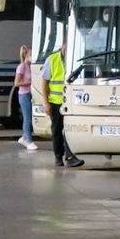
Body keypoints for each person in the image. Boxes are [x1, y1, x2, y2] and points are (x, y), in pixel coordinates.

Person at [39, 39, 84, 167]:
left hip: (70, 102)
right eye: (66, 47)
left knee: (70, 130)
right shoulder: (52, 59)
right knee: (57, 130)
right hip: (56, 103)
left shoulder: (75, 59)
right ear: (63, 46)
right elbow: (44, 83)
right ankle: (59, 157)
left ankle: (69, 156)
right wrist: (45, 103)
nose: (67, 51)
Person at [15, 44, 37, 150]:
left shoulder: (30, 67)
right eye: (31, 54)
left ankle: (24, 137)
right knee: (27, 118)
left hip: (30, 94)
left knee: (30, 117)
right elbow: (17, 83)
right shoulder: (22, 67)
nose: (33, 57)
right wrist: (30, 82)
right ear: (26, 55)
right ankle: (28, 140)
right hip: (24, 95)